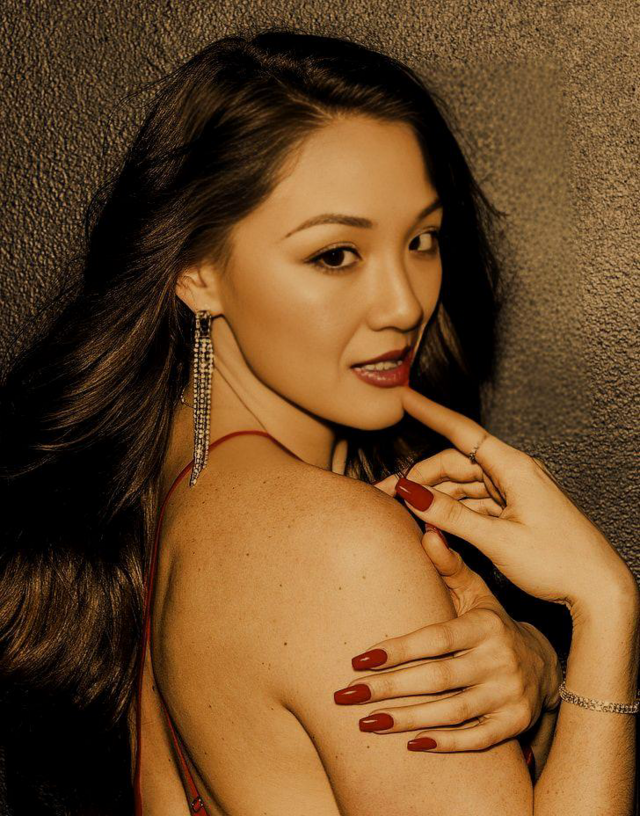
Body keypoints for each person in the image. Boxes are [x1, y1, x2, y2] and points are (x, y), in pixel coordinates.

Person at [0, 26, 636, 816]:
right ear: (196, 270)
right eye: (335, 255)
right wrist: (604, 614)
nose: (403, 304)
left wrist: (536, 669)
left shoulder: (164, 501)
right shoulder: (336, 547)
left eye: (422, 240)